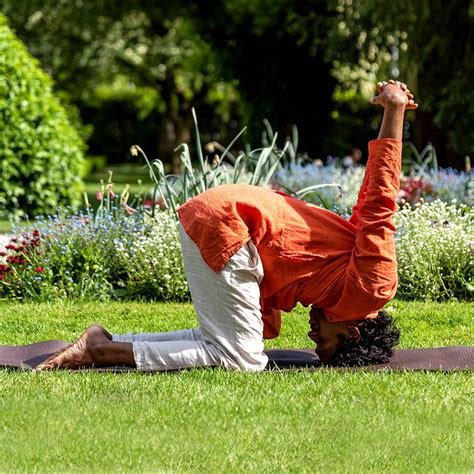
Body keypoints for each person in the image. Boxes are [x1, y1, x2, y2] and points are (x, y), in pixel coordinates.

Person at [36, 80, 418, 371]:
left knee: (226, 342)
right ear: (352, 333)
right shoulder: (372, 289)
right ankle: (101, 353)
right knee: (244, 360)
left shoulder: (346, 288)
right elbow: (378, 204)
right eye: (325, 343)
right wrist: (394, 111)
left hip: (224, 218)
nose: (312, 337)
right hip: (230, 223)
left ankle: (107, 341)